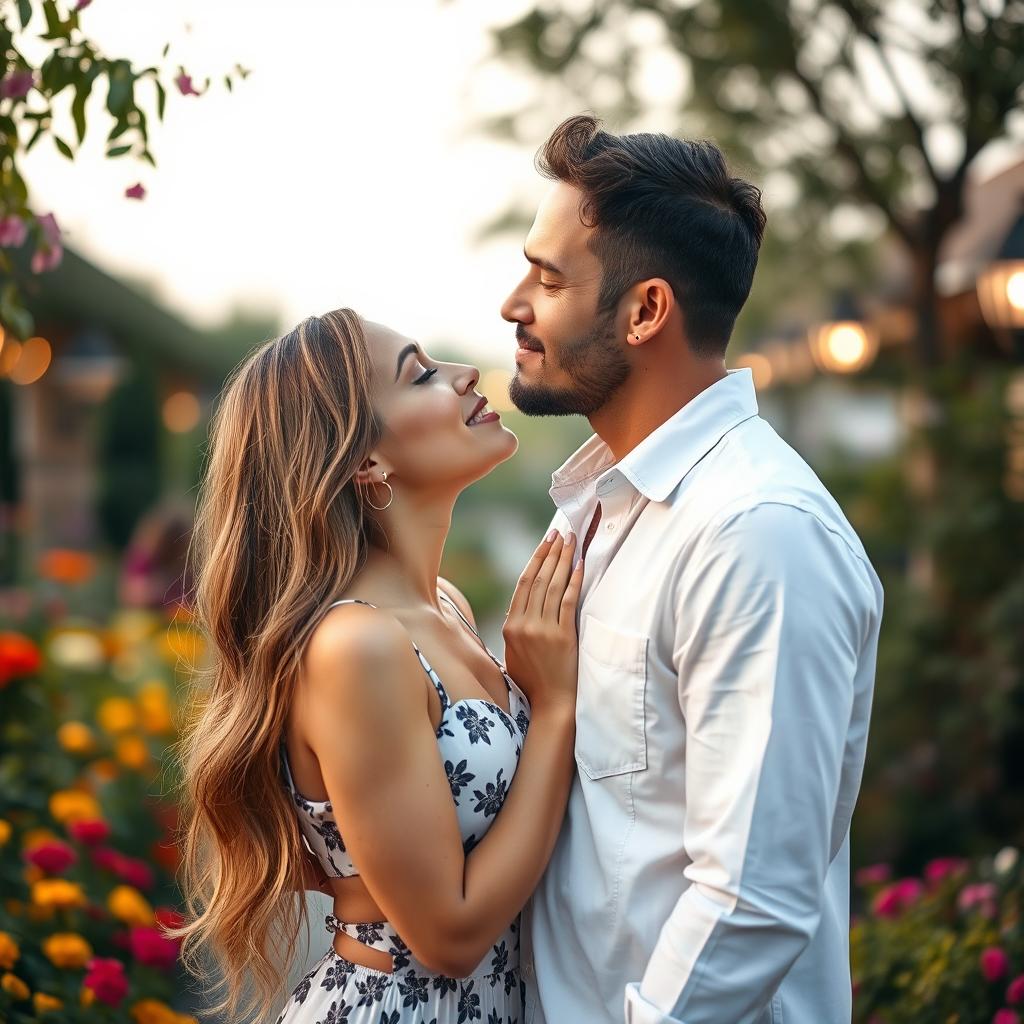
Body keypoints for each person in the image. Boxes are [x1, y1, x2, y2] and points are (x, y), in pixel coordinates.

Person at [502, 114, 884, 1023]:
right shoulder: (599, 508)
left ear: (645, 311)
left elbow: (751, 899)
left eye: (548, 278)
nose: (514, 303)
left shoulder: (757, 534)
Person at [168, 309, 582, 1024]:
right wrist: (557, 710)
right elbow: (448, 935)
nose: (465, 375)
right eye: (421, 375)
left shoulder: (444, 607)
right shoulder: (356, 644)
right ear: (365, 460)